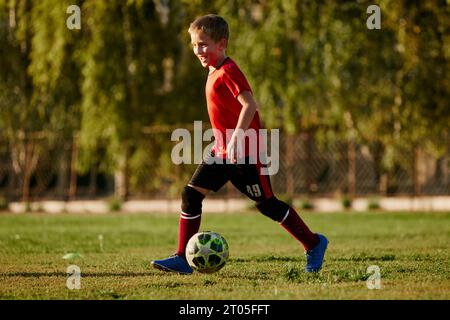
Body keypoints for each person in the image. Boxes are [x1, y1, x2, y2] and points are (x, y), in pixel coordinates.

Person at [151, 14, 328, 274]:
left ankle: (314, 243)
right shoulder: (212, 70)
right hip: (221, 150)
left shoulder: (229, 70)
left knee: (268, 205)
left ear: (221, 44)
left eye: (203, 44)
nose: (197, 50)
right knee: (191, 195)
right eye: (194, 45)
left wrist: (235, 140)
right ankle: (181, 258)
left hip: (246, 152)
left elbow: (250, 105)